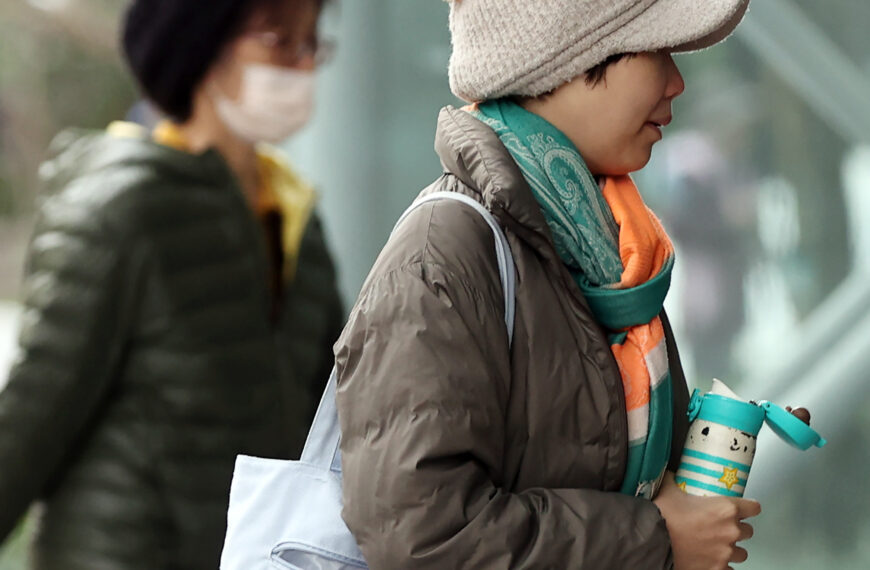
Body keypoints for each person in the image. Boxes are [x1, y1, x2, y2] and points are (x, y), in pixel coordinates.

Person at [333, 1, 762, 568]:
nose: (677, 81)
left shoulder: (608, 249)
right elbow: (425, 534)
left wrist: (708, 456)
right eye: (655, 50)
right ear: (564, 59)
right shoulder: (444, 255)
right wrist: (655, 540)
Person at [0, 0, 343, 568]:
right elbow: (34, 412)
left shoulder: (293, 212)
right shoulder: (122, 206)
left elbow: (331, 411)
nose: (304, 67)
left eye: (312, 46)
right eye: (280, 42)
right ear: (201, 45)